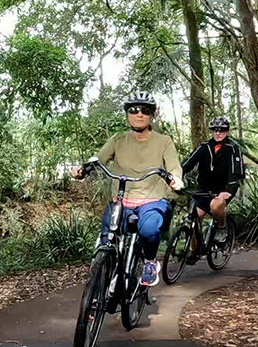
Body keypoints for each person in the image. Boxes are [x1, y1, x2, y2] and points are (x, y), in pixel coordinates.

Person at [73, 92, 183, 287]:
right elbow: (99, 159)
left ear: (151, 115)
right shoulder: (118, 139)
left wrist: (175, 179)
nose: (139, 114)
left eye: (145, 110)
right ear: (127, 114)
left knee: (149, 231)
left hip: (152, 200)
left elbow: (174, 166)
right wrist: (83, 169)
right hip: (122, 201)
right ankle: (106, 278)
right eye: (134, 110)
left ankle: (149, 262)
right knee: (107, 237)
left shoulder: (163, 141)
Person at [181, 117, 244, 255]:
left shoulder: (233, 148)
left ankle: (222, 227)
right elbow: (188, 163)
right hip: (204, 188)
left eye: (221, 130)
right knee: (194, 219)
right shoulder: (204, 147)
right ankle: (194, 250)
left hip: (224, 189)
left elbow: (237, 172)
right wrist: (176, 176)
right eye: (215, 130)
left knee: (216, 206)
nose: (218, 133)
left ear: (226, 132)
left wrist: (229, 190)